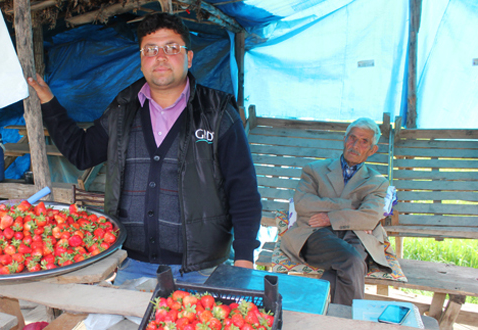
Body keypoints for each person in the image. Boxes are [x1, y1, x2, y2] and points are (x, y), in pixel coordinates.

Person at [26, 13, 261, 284]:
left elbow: (243, 191)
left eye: (171, 48)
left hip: (199, 269)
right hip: (131, 264)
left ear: (190, 57)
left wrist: (244, 259)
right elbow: (82, 152)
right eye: (150, 50)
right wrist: (48, 101)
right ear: (141, 60)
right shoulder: (122, 109)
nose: (160, 57)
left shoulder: (217, 112)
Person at [280, 117, 391, 306]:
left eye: (364, 141)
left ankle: (325, 319)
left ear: (373, 150)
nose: (355, 145)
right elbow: (303, 204)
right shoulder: (314, 170)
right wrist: (349, 206)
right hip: (315, 234)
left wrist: (330, 218)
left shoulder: (377, 181)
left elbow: (370, 217)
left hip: (356, 235)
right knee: (353, 262)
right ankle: (351, 323)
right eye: (352, 138)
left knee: (341, 270)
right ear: (344, 139)